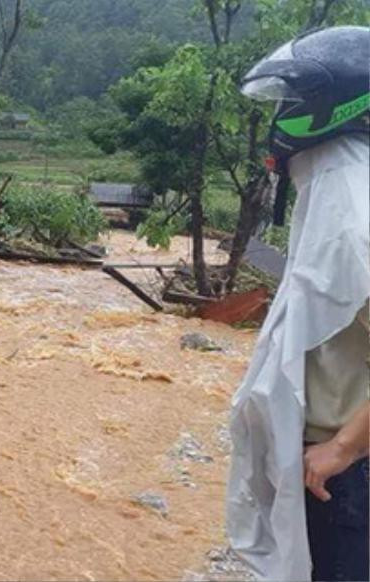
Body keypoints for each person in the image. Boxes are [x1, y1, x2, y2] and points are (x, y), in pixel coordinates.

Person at [227, 26, 370, 582]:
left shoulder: (350, 210)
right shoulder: (343, 178)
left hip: (346, 470)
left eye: (291, 100)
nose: (282, 114)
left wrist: (343, 448)